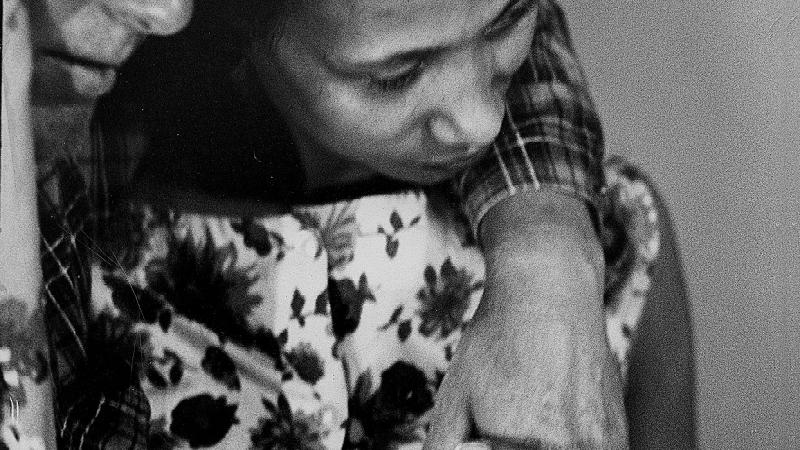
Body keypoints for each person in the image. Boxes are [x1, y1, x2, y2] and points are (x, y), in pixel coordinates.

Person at [0, 0, 669, 448]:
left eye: (511, 19)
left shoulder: (619, 238)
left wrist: (545, 243)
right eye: (394, 74)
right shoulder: (82, 227)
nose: (478, 121)